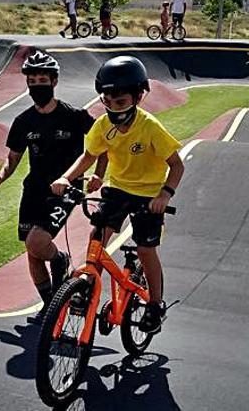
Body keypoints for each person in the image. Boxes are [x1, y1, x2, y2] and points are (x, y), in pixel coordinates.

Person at [51, 56, 185, 335]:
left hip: (148, 194)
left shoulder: (149, 127)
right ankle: (87, 286)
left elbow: (176, 165)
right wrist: (67, 177)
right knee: (97, 235)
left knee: (146, 249)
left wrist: (165, 194)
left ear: (138, 97)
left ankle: (155, 305)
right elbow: (89, 156)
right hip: (118, 189)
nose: (113, 108)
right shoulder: (102, 125)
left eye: (120, 102)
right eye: (107, 101)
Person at [0, 51, 104, 323]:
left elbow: (102, 145)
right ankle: (51, 306)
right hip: (34, 191)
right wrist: (0, 177)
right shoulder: (23, 121)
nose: (37, 85)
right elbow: (12, 159)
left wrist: (98, 174)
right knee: (33, 252)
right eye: (33, 80)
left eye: (43, 79)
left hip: (65, 190)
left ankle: (60, 258)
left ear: (54, 81)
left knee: (38, 242)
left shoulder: (75, 116)